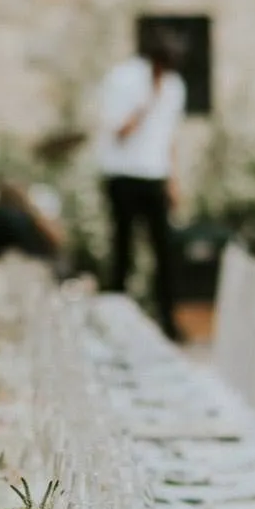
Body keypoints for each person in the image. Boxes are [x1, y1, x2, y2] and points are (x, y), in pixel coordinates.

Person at [95, 29, 187, 338]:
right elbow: (119, 131)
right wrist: (146, 102)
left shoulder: (175, 87)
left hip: (155, 175)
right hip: (123, 174)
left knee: (165, 250)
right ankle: (116, 322)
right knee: (123, 250)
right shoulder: (122, 79)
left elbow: (169, 137)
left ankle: (168, 321)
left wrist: (174, 182)